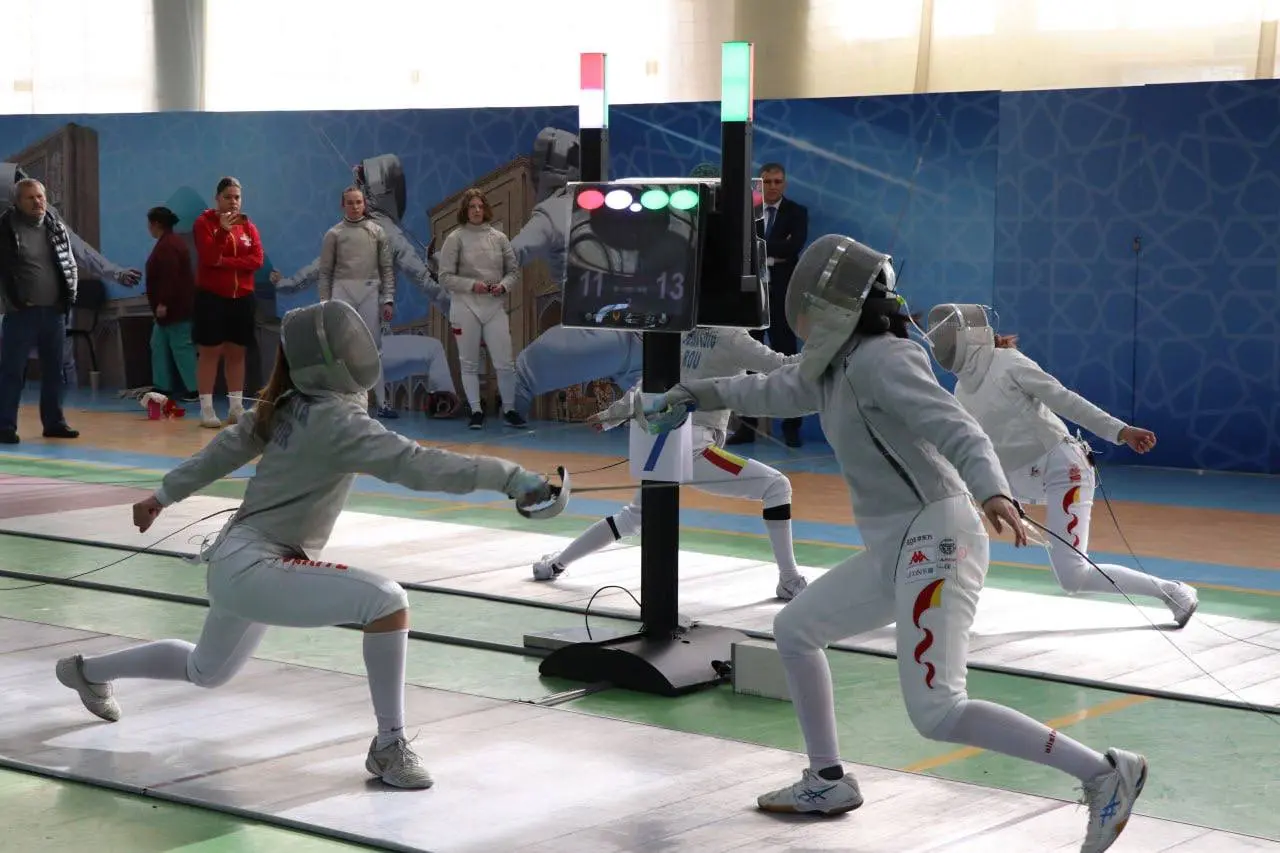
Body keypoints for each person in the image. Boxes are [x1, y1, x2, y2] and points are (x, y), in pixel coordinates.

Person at [638, 235, 1146, 853]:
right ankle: (827, 780)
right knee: (796, 629)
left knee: (938, 711)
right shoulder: (833, 370)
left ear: (830, 306)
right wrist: (693, 394)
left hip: (938, 538)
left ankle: (1104, 773)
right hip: (897, 548)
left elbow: (958, 430)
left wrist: (992, 491)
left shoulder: (887, 358)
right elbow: (768, 389)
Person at [53, 299, 557, 789]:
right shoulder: (334, 420)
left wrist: (161, 496)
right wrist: (511, 478)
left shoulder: (286, 405)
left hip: (240, 562)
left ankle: (84, 672)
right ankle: (389, 745)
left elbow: (223, 449)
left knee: (205, 670)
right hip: (256, 566)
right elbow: (421, 466)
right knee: (387, 602)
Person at [925, 303, 1198, 626]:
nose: (941, 345)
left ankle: (1173, 591)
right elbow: (975, 445)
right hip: (1017, 479)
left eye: (946, 337)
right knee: (954, 510)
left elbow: (1063, 399)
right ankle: (939, 598)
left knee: (1073, 576)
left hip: (1063, 469)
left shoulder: (1008, 362)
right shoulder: (961, 389)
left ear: (969, 336)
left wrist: (1121, 431)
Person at [535, 326, 809, 601]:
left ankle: (555, 564)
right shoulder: (733, 337)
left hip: (663, 443)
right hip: (695, 447)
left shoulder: (680, 332)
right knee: (777, 487)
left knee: (633, 517)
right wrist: (823, 348)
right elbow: (782, 366)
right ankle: (789, 579)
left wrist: (611, 416)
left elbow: (649, 384)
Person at [727, 162, 809, 448]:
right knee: (749, 360)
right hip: (752, 297)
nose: (773, 186)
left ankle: (792, 427)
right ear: (759, 184)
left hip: (783, 297)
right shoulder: (747, 211)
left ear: (784, 183)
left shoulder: (797, 212)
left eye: (777, 181)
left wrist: (759, 247)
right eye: (767, 181)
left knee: (788, 359)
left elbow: (793, 247)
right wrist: (773, 250)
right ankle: (747, 427)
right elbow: (741, 245)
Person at [0, 178, 81, 444]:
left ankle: (54, 422)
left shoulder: (56, 227)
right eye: (30, 198)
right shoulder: (5, 228)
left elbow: (70, 263)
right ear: (17, 202)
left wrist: (68, 297)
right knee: (12, 371)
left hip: (54, 312)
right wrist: (12, 302)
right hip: (20, 313)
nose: (37, 202)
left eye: (40, 196)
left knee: (55, 371)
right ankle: (4, 426)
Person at [436, 188, 523, 429]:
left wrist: (503, 287)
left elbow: (513, 272)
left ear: (485, 209)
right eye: (472, 206)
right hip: (464, 306)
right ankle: (476, 410)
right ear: (465, 210)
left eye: (480, 206)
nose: (476, 210)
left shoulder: (499, 238)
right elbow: (444, 277)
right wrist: (473, 285)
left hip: (494, 306)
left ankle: (509, 409)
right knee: (469, 363)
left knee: (505, 362)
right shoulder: (455, 238)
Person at [316, 185, 397, 419]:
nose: (354, 206)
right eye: (350, 202)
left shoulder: (377, 231)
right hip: (342, 291)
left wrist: (388, 299)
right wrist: (325, 303)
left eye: (358, 202)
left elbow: (387, 268)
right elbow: (325, 272)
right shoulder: (334, 234)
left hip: (370, 291)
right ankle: (341, 403)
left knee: (374, 350)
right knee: (341, 349)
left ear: (364, 204)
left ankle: (382, 403)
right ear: (343, 205)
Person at [192, 177, 264, 429]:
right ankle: (207, 409)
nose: (233, 202)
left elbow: (257, 260)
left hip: (242, 297)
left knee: (237, 352)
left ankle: (236, 408)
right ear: (217, 199)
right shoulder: (204, 223)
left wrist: (225, 262)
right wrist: (222, 231)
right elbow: (209, 257)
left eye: (237, 197)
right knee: (210, 353)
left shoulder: (248, 226)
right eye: (228, 197)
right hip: (212, 298)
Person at [144, 206, 198, 403]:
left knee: (182, 347)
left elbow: (170, 277)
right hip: (169, 311)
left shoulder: (168, 246)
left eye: (150, 224)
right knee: (158, 344)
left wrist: (164, 302)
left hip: (174, 309)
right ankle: (162, 387)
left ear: (156, 224)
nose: (148, 228)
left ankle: (195, 388)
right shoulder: (171, 242)